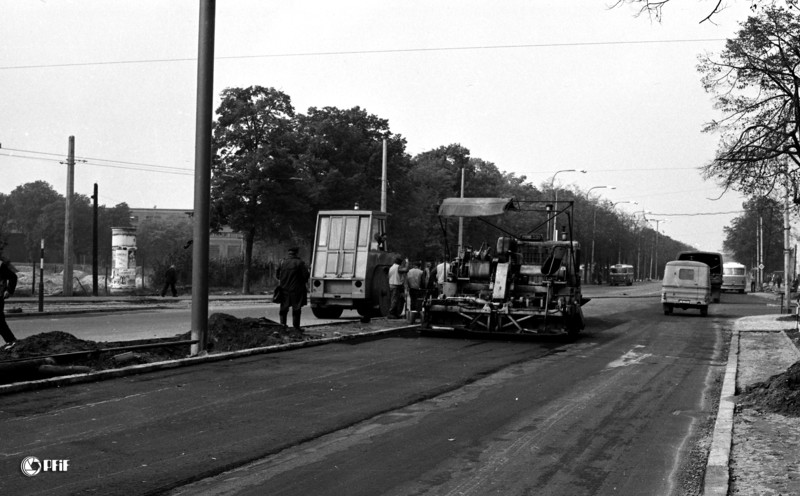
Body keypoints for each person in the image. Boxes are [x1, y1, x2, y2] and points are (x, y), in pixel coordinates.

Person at [277, 247, 310, 333]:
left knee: (283, 309)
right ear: (296, 253)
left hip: (284, 289)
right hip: (296, 290)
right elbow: (306, 275)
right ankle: (296, 327)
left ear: (288, 253)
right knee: (296, 309)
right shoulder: (300, 263)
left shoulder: (282, 262)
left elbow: (277, 275)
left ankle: (282, 326)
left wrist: (284, 280)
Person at [0, 258, 18, 350]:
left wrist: (9, 290)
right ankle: (11, 341)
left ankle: (11, 341)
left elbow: (13, 277)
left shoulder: (0, 265)